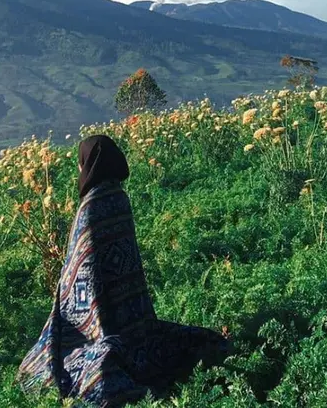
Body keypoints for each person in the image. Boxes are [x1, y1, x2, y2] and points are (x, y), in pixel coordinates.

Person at [16, 135, 233, 407]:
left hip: (97, 319)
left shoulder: (91, 206)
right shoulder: (119, 197)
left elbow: (78, 264)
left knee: (59, 366)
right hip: (133, 316)